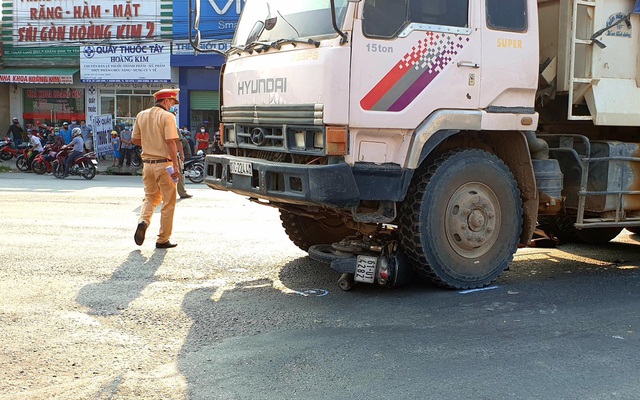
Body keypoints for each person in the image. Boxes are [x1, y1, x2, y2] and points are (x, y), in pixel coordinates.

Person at [131, 88, 181, 249]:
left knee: (150, 198)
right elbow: (171, 142)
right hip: (164, 165)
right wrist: (175, 165)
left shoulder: (141, 115)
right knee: (168, 202)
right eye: (172, 103)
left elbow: (135, 140)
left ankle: (143, 221)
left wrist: (150, 144)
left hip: (147, 165)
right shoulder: (168, 117)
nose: (173, 106)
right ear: (166, 101)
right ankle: (162, 239)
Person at [176, 128, 192, 199]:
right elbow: (178, 143)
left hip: (154, 158)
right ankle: (182, 193)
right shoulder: (171, 124)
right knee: (179, 175)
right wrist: (182, 155)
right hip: (171, 156)